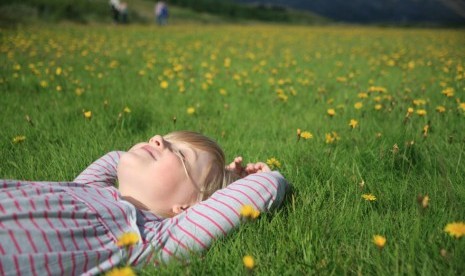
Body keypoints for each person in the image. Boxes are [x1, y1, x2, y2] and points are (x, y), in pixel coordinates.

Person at [0, 131, 288, 275]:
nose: (158, 138)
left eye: (182, 155)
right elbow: (115, 158)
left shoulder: (150, 238)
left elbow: (268, 183)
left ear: (187, 209)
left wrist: (232, 179)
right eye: (165, 138)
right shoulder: (88, 186)